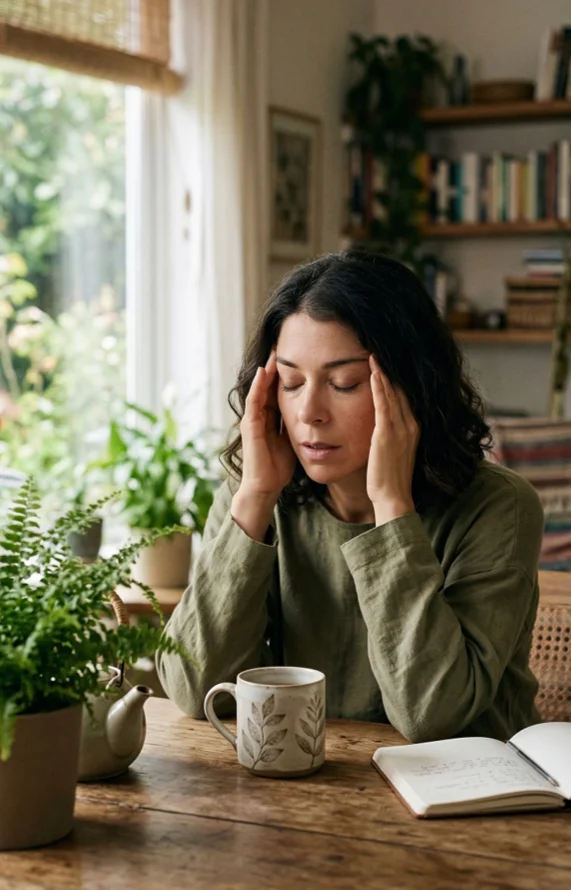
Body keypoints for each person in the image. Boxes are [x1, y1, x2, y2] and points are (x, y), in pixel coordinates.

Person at [157, 250, 544, 743]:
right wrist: (254, 497)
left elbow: (430, 715)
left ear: (413, 386)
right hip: (313, 780)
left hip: (472, 785)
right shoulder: (255, 494)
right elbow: (194, 689)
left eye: (344, 384)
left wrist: (392, 508)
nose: (309, 412)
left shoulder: (499, 507)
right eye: (291, 383)